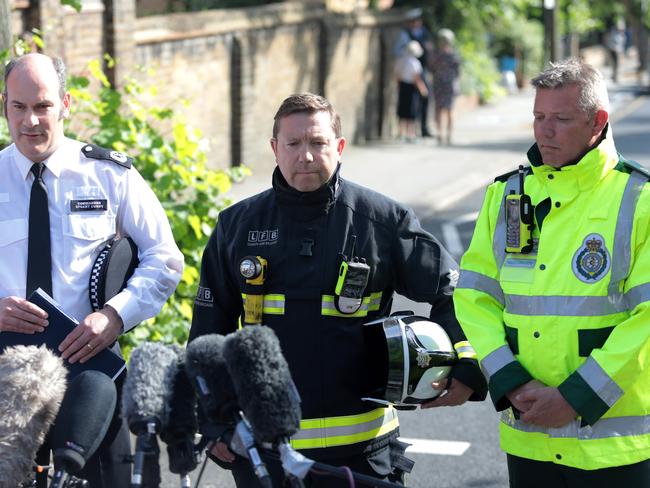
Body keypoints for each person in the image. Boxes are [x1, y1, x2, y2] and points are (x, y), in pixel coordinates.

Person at [190, 93, 487, 486]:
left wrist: (466, 364)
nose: (306, 156)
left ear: (340, 147)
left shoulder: (382, 220)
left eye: (318, 143)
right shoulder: (236, 226)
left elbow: (455, 290)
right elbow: (209, 332)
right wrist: (213, 421)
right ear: (275, 149)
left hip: (365, 453)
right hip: (268, 453)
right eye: (294, 144)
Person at [454, 58, 650, 487]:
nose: (545, 130)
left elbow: (647, 322)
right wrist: (510, 381)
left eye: (561, 119)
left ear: (598, 122)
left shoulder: (641, 199)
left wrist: (576, 397)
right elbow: (475, 297)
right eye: (539, 117)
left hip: (615, 449)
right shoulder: (506, 194)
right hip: (531, 436)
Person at [0, 53, 184, 486]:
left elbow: (165, 257)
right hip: (7, 381)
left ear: (65, 104)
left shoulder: (108, 174)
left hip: (91, 376)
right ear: (4, 104)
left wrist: (115, 315)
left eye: (42, 106)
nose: (31, 121)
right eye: (18, 107)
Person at [393, 8, 434, 137]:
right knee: (409, 103)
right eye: (415, 21)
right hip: (411, 71)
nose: (417, 23)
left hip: (422, 69)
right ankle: (408, 131)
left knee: (424, 99)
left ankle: (423, 127)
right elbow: (397, 51)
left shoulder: (425, 32)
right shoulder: (404, 35)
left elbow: (429, 49)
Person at [429, 28, 461, 146]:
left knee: (439, 109)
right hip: (449, 84)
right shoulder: (454, 55)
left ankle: (440, 134)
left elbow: (431, 68)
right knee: (449, 110)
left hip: (439, 83)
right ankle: (449, 135)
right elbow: (458, 72)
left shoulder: (435, 55)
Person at [395, 40, 428, 142]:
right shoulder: (415, 62)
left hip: (403, 86)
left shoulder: (401, 60)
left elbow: (397, 74)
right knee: (412, 111)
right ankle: (411, 134)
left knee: (402, 110)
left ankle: (401, 133)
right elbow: (416, 78)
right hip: (412, 88)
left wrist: (399, 86)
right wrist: (423, 89)